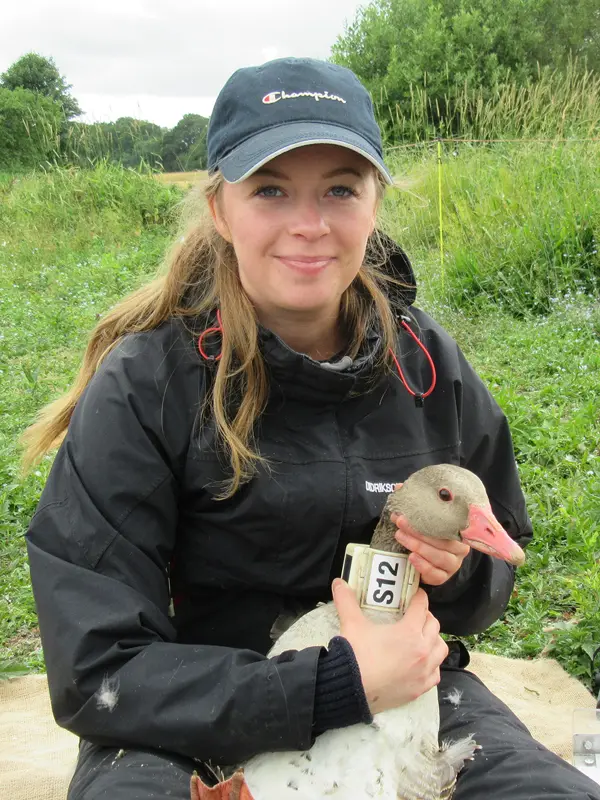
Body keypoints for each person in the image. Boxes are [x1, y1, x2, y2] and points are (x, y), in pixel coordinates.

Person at [24, 57, 600, 800]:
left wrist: (462, 576)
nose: (310, 224)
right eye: (270, 190)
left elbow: (495, 563)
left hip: (408, 700)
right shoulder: (145, 384)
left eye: (340, 188)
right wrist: (333, 685)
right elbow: (99, 671)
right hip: (194, 715)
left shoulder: (427, 365)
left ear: (375, 202)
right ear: (220, 210)